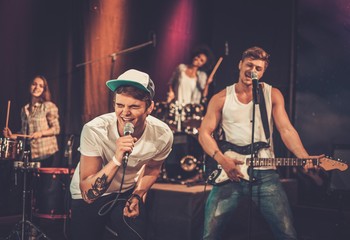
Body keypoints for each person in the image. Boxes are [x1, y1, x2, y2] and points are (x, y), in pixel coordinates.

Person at [198, 46, 320, 240]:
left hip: (265, 174)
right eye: (249, 65)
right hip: (230, 171)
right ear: (240, 64)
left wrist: (303, 157)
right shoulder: (221, 98)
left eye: (258, 68)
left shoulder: (272, 94)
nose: (252, 71)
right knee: (210, 233)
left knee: (286, 232)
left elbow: (286, 130)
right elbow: (204, 133)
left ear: (263, 72)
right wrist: (222, 159)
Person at [69, 69, 174, 240]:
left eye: (134, 106)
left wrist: (138, 194)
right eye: (120, 105)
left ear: (150, 107)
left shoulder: (162, 134)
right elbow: (88, 194)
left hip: (126, 192)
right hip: (89, 194)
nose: (125, 113)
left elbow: (153, 168)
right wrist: (117, 158)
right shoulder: (94, 129)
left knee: (137, 235)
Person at [3, 75, 60, 167]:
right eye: (34, 84)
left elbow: (56, 129)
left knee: (43, 181)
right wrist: (12, 135)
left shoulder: (48, 106)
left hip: (45, 153)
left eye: (41, 86)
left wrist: (41, 133)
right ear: (30, 86)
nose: (37, 87)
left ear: (44, 90)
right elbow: (24, 133)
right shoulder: (24, 109)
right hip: (29, 153)